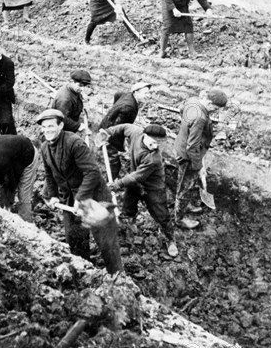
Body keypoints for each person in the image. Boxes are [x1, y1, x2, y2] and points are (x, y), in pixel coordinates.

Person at [37, 109, 123, 274]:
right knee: (75, 240)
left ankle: (118, 277)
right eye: (44, 127)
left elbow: (92, 172)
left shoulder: (74, 143)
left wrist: (81, 198)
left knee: (106, 241)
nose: (47, 130)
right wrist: (54, 196)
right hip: (69, 197)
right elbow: (49, 175)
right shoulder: (44, 148)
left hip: (94, 196)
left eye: (51, 126)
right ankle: (86, 272)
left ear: (61, 125)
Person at [98, 123, 178, 258]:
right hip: (134, 184)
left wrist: (117, 184)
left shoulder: (154, 158)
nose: (156, 146)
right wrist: (107, 132)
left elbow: (137, 176)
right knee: (127, 210)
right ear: (144, 136)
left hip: (153, 188)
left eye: (159, 143)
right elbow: (124, 127)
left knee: (162, 215)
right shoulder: (136, 133)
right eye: (153, 142)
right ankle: (128, 232)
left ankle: (170, 239)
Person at [174, 88, 228, 229]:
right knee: (185, 187)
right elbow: (192, 147)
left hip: (182, 146)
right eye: (215, 109)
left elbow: (181, 110)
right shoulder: (200, 118)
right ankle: (179, 218)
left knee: (189, 183)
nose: (215, 112)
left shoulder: (192, 101)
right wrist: (199, 166)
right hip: (188, 156)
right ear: (209, 103)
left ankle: (186, 205)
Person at [99, 82, 152, 179]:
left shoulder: (128, 95)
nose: (148, 96)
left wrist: (115, 110)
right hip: (108, 135)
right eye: (145, 93)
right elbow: (118, 128)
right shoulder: (129, 107)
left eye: (149, 93)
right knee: (114, 164)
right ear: (136, 92)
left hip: (107, 128)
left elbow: (117, 94)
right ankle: (109, 184)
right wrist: (118, 144)